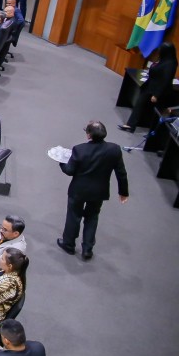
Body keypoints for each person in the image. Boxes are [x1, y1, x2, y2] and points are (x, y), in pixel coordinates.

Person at [57, 121, 128, 260]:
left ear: (89, 135)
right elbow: (121, 173)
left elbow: (69, 170)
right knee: (92, 217)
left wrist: (61, 161)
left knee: (73, 216)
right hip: (98, 192)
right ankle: (87, 249)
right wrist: (123, 192)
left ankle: (69, 244)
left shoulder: (79, 149)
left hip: (78, 191)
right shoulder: (114, 149)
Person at [119, 42, 177, 132]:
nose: (159, 51)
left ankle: (153, 132)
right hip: (150, 86)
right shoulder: (164, 58)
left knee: (156, 112)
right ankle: (130, 125)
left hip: (159, 90)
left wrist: (156, 95)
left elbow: (165, 81)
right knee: (139, 104)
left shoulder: (171, 63)